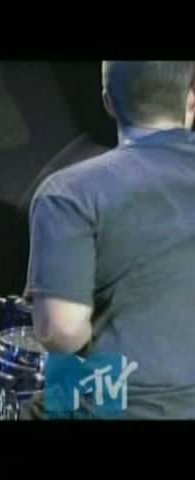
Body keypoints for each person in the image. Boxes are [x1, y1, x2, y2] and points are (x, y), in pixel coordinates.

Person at [21, 61, 195, 419]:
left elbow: (62, 330)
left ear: (108, 102)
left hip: (114, 407)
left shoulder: (69, 193)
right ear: (190, 99)